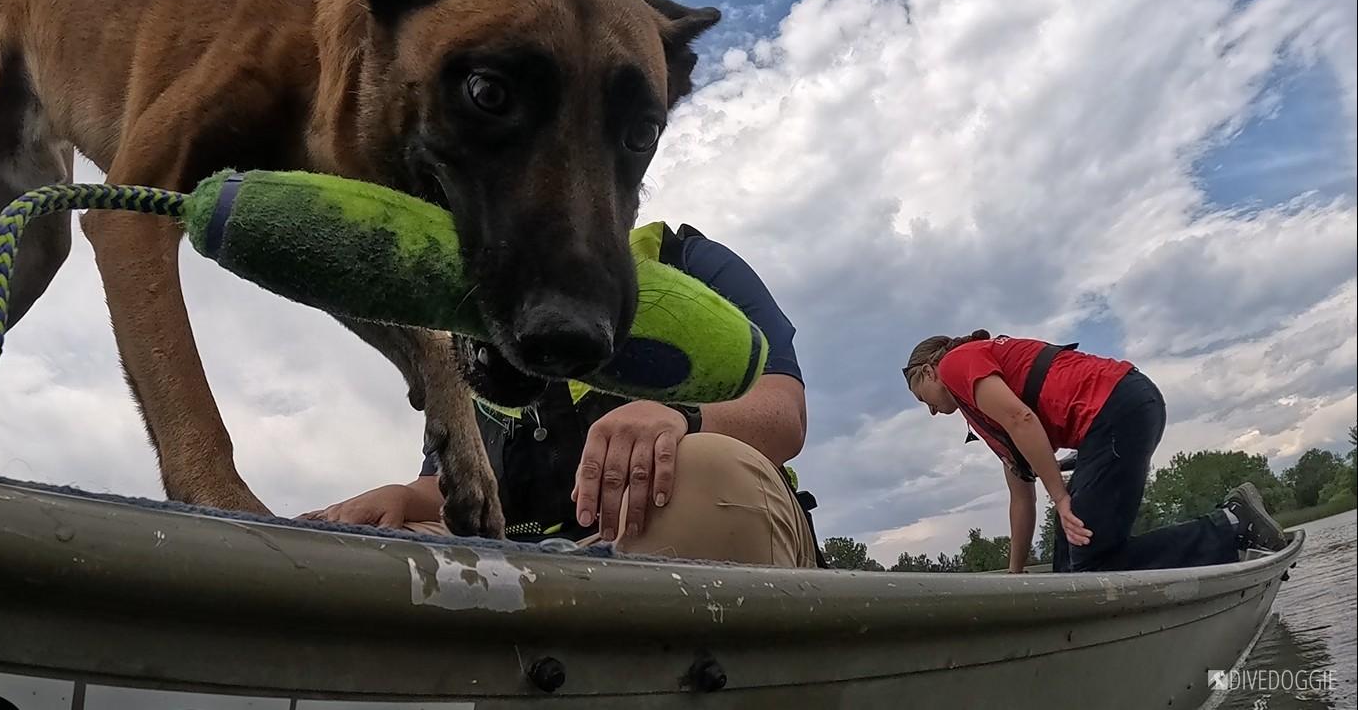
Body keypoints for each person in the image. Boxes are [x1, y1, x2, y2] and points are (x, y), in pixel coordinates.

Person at [302, 222, 819, 567]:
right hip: (518, 560)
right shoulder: (467, 328)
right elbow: (444, 489)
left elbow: (783, 416)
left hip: (648, 536)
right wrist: (398, 498)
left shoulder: (686, 261)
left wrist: (678, 417)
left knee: (710, 470)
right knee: (349, 552)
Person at [902, 330, 1289, 573]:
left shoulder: (957, 363)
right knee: (1070, 564)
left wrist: (1060, 497)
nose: (934, 411)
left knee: (1091, 563)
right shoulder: (984, 412)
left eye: (925, 399)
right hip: (1114, 417)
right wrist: (1014, 574)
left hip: (1116, 408)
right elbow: (1021, 495)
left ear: (930, 371)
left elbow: (1023, 418)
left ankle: (1233, 525)